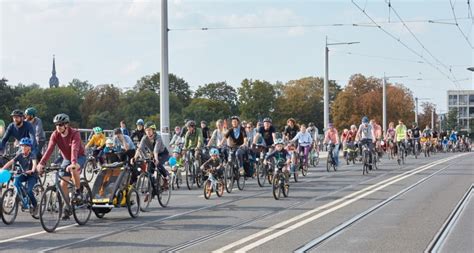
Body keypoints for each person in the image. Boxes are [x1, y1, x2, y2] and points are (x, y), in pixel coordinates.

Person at [37, 113, 86, 220]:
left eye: (60, 124)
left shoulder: (74, 133)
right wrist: (41, 163)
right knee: (63, 183)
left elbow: (75, 149)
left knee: (73, 169)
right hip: (66, 159)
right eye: (56, 125)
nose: (58, 127)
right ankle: (67, 207)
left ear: (66, 125)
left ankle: (78, 191)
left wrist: (73, 162)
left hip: (79, 156)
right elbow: (49, 149)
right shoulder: (55, 134)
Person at [0, 137, 39, 215]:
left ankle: (35, 205)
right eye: (22, 146)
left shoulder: (32, 155)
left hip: (32, 175)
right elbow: (11, 162)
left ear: (29, 147)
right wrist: (2, 169)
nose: (23, 147)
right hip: (23, 174)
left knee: (29, 191)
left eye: (25, 146)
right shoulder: (19, 155)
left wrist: (32, 170)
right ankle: (23, 196)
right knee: (16, 181)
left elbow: (34, 163)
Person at [132, 121, 169, 187]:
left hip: (162, 154)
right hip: (153, 154)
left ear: (153, 130)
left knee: (158, 164)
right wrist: (134, 158)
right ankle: (151, 187)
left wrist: (156, 159)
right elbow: (139, 148)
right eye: (146, 130)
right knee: (149, 171)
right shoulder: (144, 138)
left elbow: (156, 150)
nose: (148, 132)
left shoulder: (158, 137)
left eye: (149, 130)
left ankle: (166, 178)